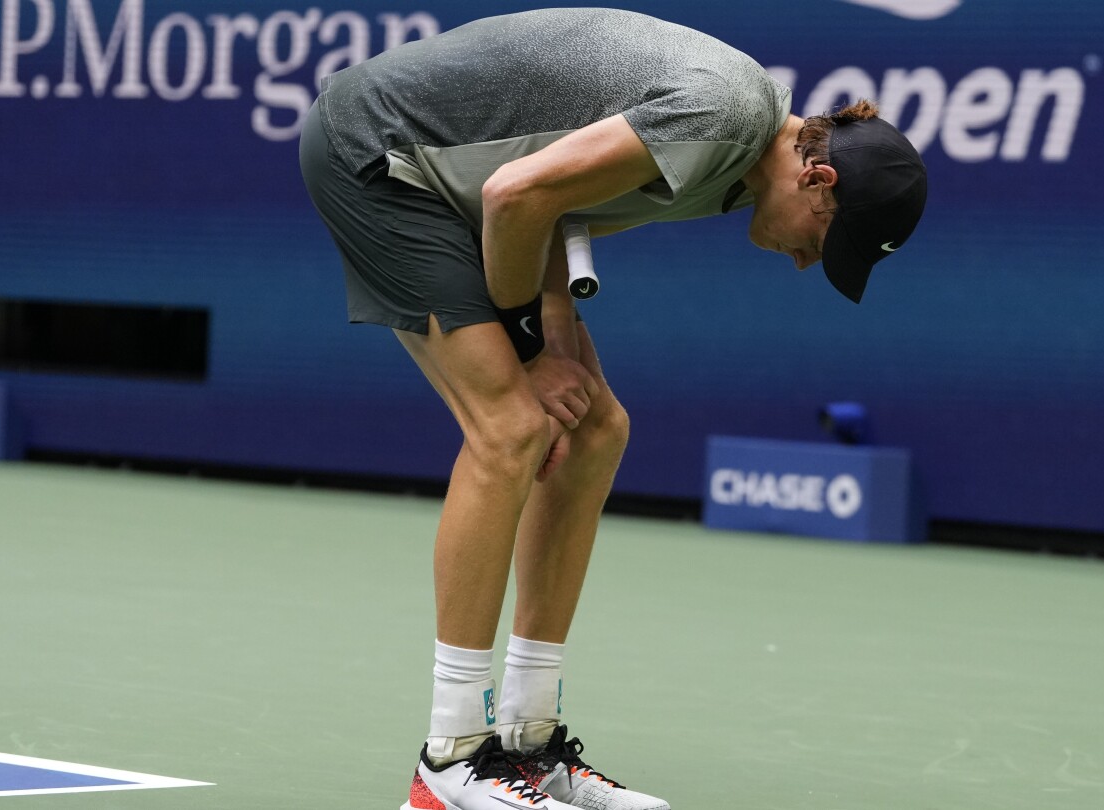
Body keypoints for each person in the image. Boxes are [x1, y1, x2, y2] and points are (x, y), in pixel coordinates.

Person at [298, 8, 926, 810]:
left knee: (597, 430)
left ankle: (528, 743)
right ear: (817, 180)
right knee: (512, 427)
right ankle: (449, 761)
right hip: (381, 157)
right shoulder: (723, 116)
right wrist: (530, 354)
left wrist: (556, 339)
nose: (808, 264)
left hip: (476, 198)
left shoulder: (738, 171)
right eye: (823, 241)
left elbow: (556, 201)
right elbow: (515, 193)